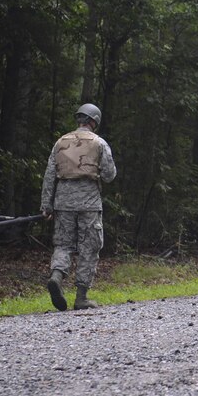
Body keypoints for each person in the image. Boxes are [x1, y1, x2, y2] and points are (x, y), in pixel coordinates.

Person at [40, 103, 117, 311]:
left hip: (63, 201)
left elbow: (49, 176)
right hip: (89, 202)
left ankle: (56, 276)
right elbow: (110, 175)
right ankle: (81, 296)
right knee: (89, 247)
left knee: (63, 244)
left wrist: (46, 205)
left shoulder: (60, 142)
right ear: (94, 121)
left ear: (79, 120)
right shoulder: (99, 143)